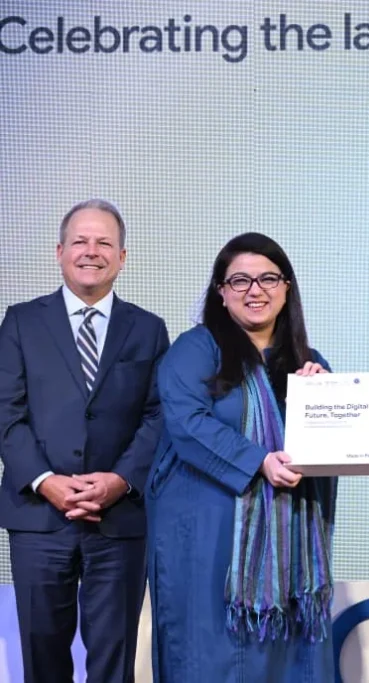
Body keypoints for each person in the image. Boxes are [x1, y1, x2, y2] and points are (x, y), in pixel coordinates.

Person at [145, 232, 336, 682]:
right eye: (240, 281)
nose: (256, 290)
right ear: (221, 292)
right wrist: (258, 461)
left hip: (288, 540)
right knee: (210, 654)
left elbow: (331, 444)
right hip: (206, 534)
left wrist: (325, 395)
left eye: (269, 278)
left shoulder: (310, 362)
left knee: (290, 657)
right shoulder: (196, 349)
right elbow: (188, 423)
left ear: (287, 287)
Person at [0, 199, 169, 682]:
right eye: (80, 241)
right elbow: (5, 412)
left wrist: (120, 480)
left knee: (113, 660)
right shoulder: (20, 322)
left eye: (103, 243)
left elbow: (159, 415)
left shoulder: (149, 329)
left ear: (122, 256)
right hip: (38, 518)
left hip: (118, 520)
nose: (90, 252)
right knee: (42, 654)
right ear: (59, 251)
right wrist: (45, 480)